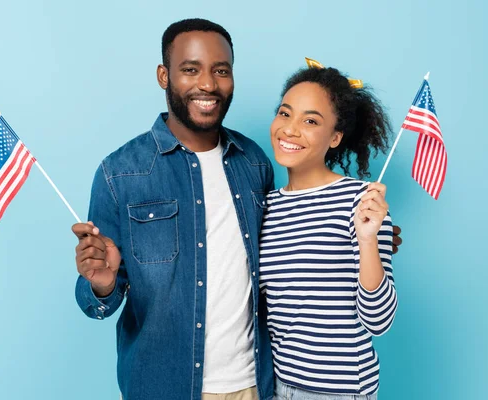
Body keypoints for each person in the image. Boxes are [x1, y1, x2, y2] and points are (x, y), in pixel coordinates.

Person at [71, 18, 402, 400]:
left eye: (221, 71)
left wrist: (368, 242)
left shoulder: (254, 164)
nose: (207, 84)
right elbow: (96, 301)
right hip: (165, 388)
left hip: (257, 386)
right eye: (190, 69)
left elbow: (299, 248)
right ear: (164, 75)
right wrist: (102, 282)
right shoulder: (119, 174)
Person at [259, 65, 398, 400]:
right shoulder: (265, 206)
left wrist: (368, 241)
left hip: (338, 391)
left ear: (335, 137)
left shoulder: (362, 202)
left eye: (310, 121)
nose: (290, 130)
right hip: (275, 386)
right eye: (285, 113)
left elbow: (379, 320)